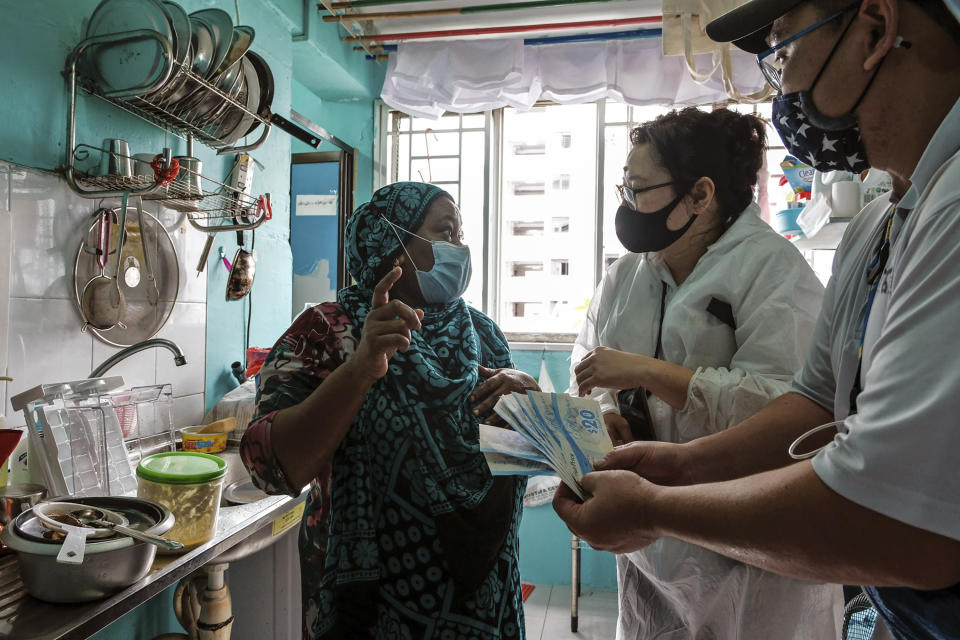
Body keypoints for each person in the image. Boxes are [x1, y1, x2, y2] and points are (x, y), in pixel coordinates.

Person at [553, 2, 960, 638]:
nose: (782, 93)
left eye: (782, 51)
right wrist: (674, 467)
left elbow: (904, 522)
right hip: (712, 559)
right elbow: (813, 402)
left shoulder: (946, 216)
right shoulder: (879, 227)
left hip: (779, 560)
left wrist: (660, 507)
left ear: (876, 31)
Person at [570, 107, 836, 639]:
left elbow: (789, 413)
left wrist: (650, 372)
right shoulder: (627, 275)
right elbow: (591, 363)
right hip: (651, 547)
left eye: (638, 188)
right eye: (624, 187)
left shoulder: (773, 272)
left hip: (748, 545)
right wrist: (608, 415)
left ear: (700, 195)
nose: (626, 204)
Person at [240, 181, 539, 639]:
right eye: (445, 231)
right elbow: (272, 467)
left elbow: (513, 456)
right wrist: (359, 371)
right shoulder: (326, 330)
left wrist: (529, 399)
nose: (460, 247)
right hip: (370, 610)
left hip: (483, 606)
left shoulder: (482, 333)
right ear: (392, 245)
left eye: (460, 234)